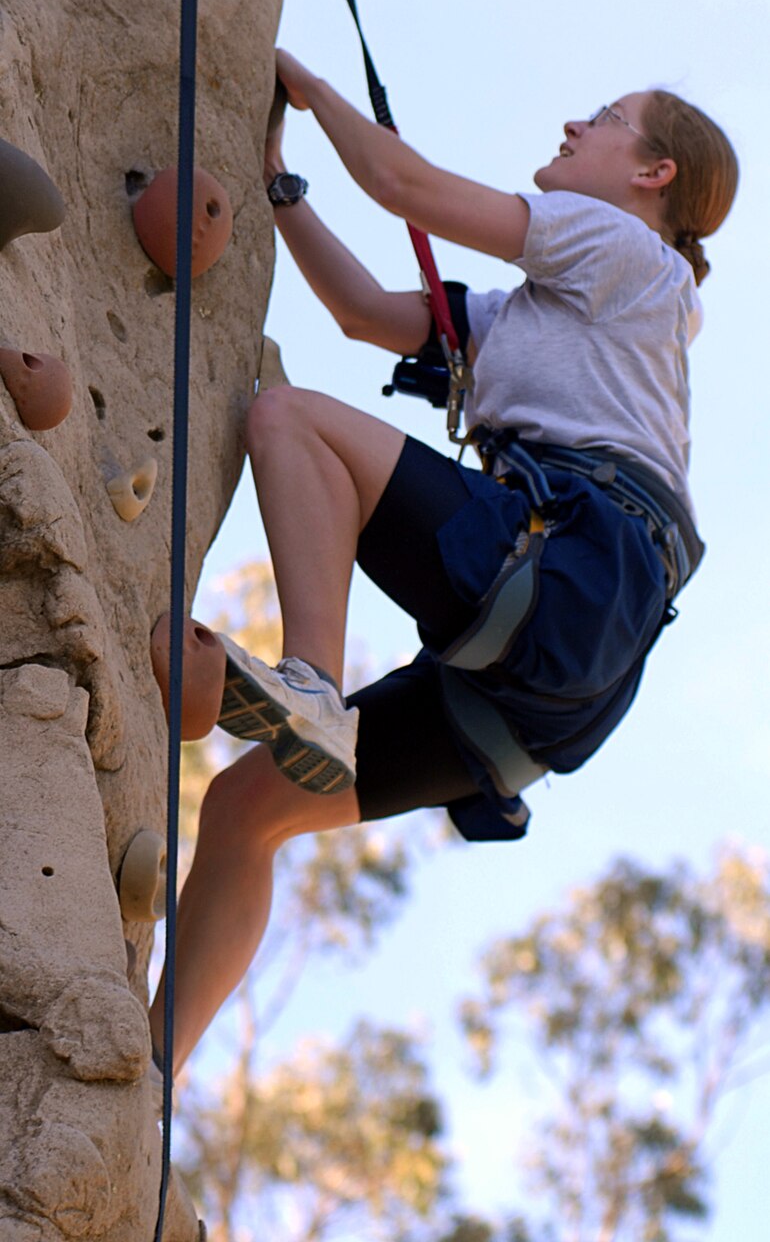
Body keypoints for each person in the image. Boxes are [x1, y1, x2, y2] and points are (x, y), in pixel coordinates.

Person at [149, 60, 738, 1079]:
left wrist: (307, 86)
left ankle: (312, 686)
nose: (570, 120)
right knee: (248, 810)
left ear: (652, 174)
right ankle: (149, 1079)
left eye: (601, 119)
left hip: (565, 571)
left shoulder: (624, 253)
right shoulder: (541, 310)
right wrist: (279, 183)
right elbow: (367, 313)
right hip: (544, 691)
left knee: (285, 415)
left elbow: (407, 188)